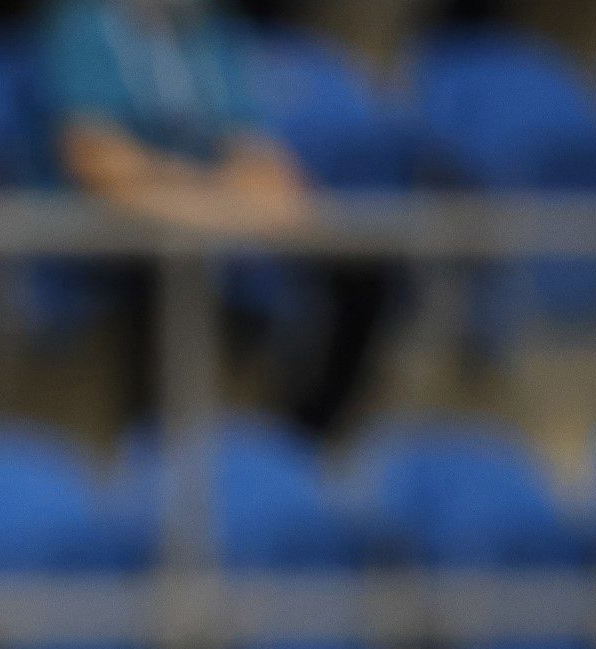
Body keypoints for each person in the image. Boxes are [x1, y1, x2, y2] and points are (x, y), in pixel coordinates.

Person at [41, 0, 390, 435]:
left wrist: (244, 204)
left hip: (208, 215)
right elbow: (99, 161)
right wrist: (213, 203)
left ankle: (302, 438)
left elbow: (259, 157)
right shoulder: (85, 28)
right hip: (107, 229)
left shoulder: (212, 31)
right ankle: (157, 451)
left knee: (363, 267)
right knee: (167, 264)